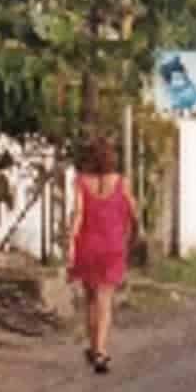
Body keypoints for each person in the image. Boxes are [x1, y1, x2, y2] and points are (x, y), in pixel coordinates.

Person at [67, 137, 139, 374]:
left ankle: (93, 347)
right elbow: (133, 210)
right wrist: (133, 232)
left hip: (88, 245)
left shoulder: (80, 182)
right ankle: (101, 351)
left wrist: (70, 244)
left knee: (90, 299)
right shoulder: (121, 182)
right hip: (112, 246)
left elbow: (77, 214)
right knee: (105, 301)